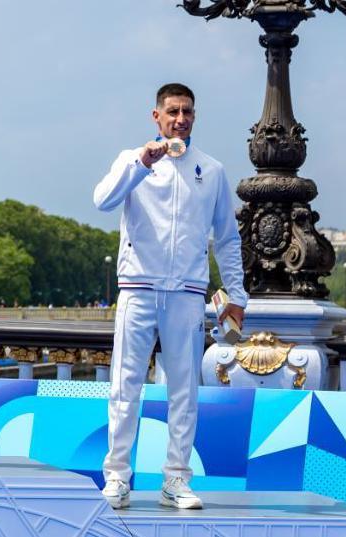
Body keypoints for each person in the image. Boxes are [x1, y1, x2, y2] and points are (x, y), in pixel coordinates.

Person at [92, 83, 247, 510]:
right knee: (125, 387)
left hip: (187, 293)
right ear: (156, 116)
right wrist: (143, 163)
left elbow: (228, 238)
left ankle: (176, 480)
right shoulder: (131, 160)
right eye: (173, 111)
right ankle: (117, 477)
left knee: (184, 390)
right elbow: (102, 200)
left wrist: (237, 294)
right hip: (138, 289)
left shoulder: (211, 170)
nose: (181, 119)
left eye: (188, 112)